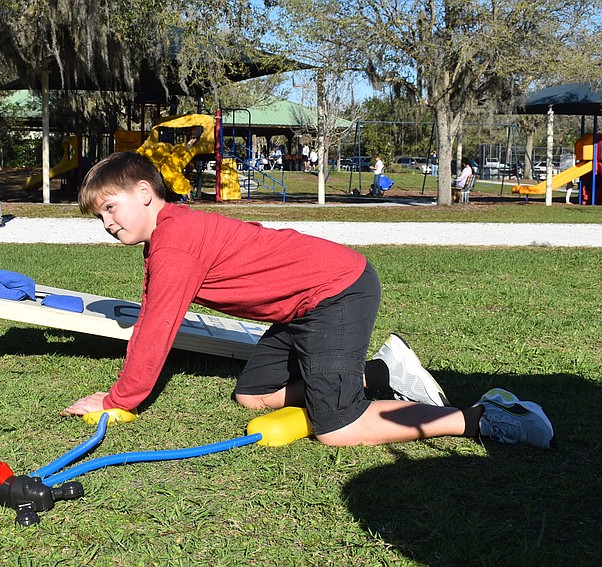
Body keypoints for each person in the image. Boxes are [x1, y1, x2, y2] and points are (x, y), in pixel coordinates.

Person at [61, 151, 555, 451]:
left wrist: (118, 402)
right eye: (99, 216)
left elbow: (156, 327)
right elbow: (156, 314)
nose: (107, 222)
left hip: (335, 292)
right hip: (300, 308)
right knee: (253, 395)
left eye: (110, 207)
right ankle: (385, 372)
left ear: (145, 193)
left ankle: (483, 418)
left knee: (336, 428)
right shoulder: (168, 237)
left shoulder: (176, 240)